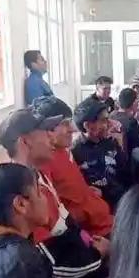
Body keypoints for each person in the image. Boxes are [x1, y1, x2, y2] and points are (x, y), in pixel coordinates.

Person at [0, 108, 108, 278]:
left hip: (80, 267)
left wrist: (92, 244)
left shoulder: (38, 177)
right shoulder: (22, 196)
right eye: (44, 131)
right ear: (26, 141)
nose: (51, 136)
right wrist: (98, 254)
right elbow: (51, 266)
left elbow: (68, 226)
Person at [31, 96, 113, 239]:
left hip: (102, 219)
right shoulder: (43, 163)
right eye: (64, 123)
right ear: (46, 130)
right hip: (94, 234)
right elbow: (58, 221)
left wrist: (87, 193)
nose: (72, 130)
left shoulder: (64, 150)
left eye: (69, 122)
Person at [72, 99, 136, 210]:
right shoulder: (75, 152)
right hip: (97, 210)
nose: (110, 124)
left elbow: (127, 176)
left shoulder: (112, 144)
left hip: (123, 205)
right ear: (87, 126)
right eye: (104, 120)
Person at [111, 87, 139, 167]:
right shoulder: (131, 121)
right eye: (137, 100)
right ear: (134, 103)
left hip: (113, 158)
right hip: (129, 161)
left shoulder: (112, 115)